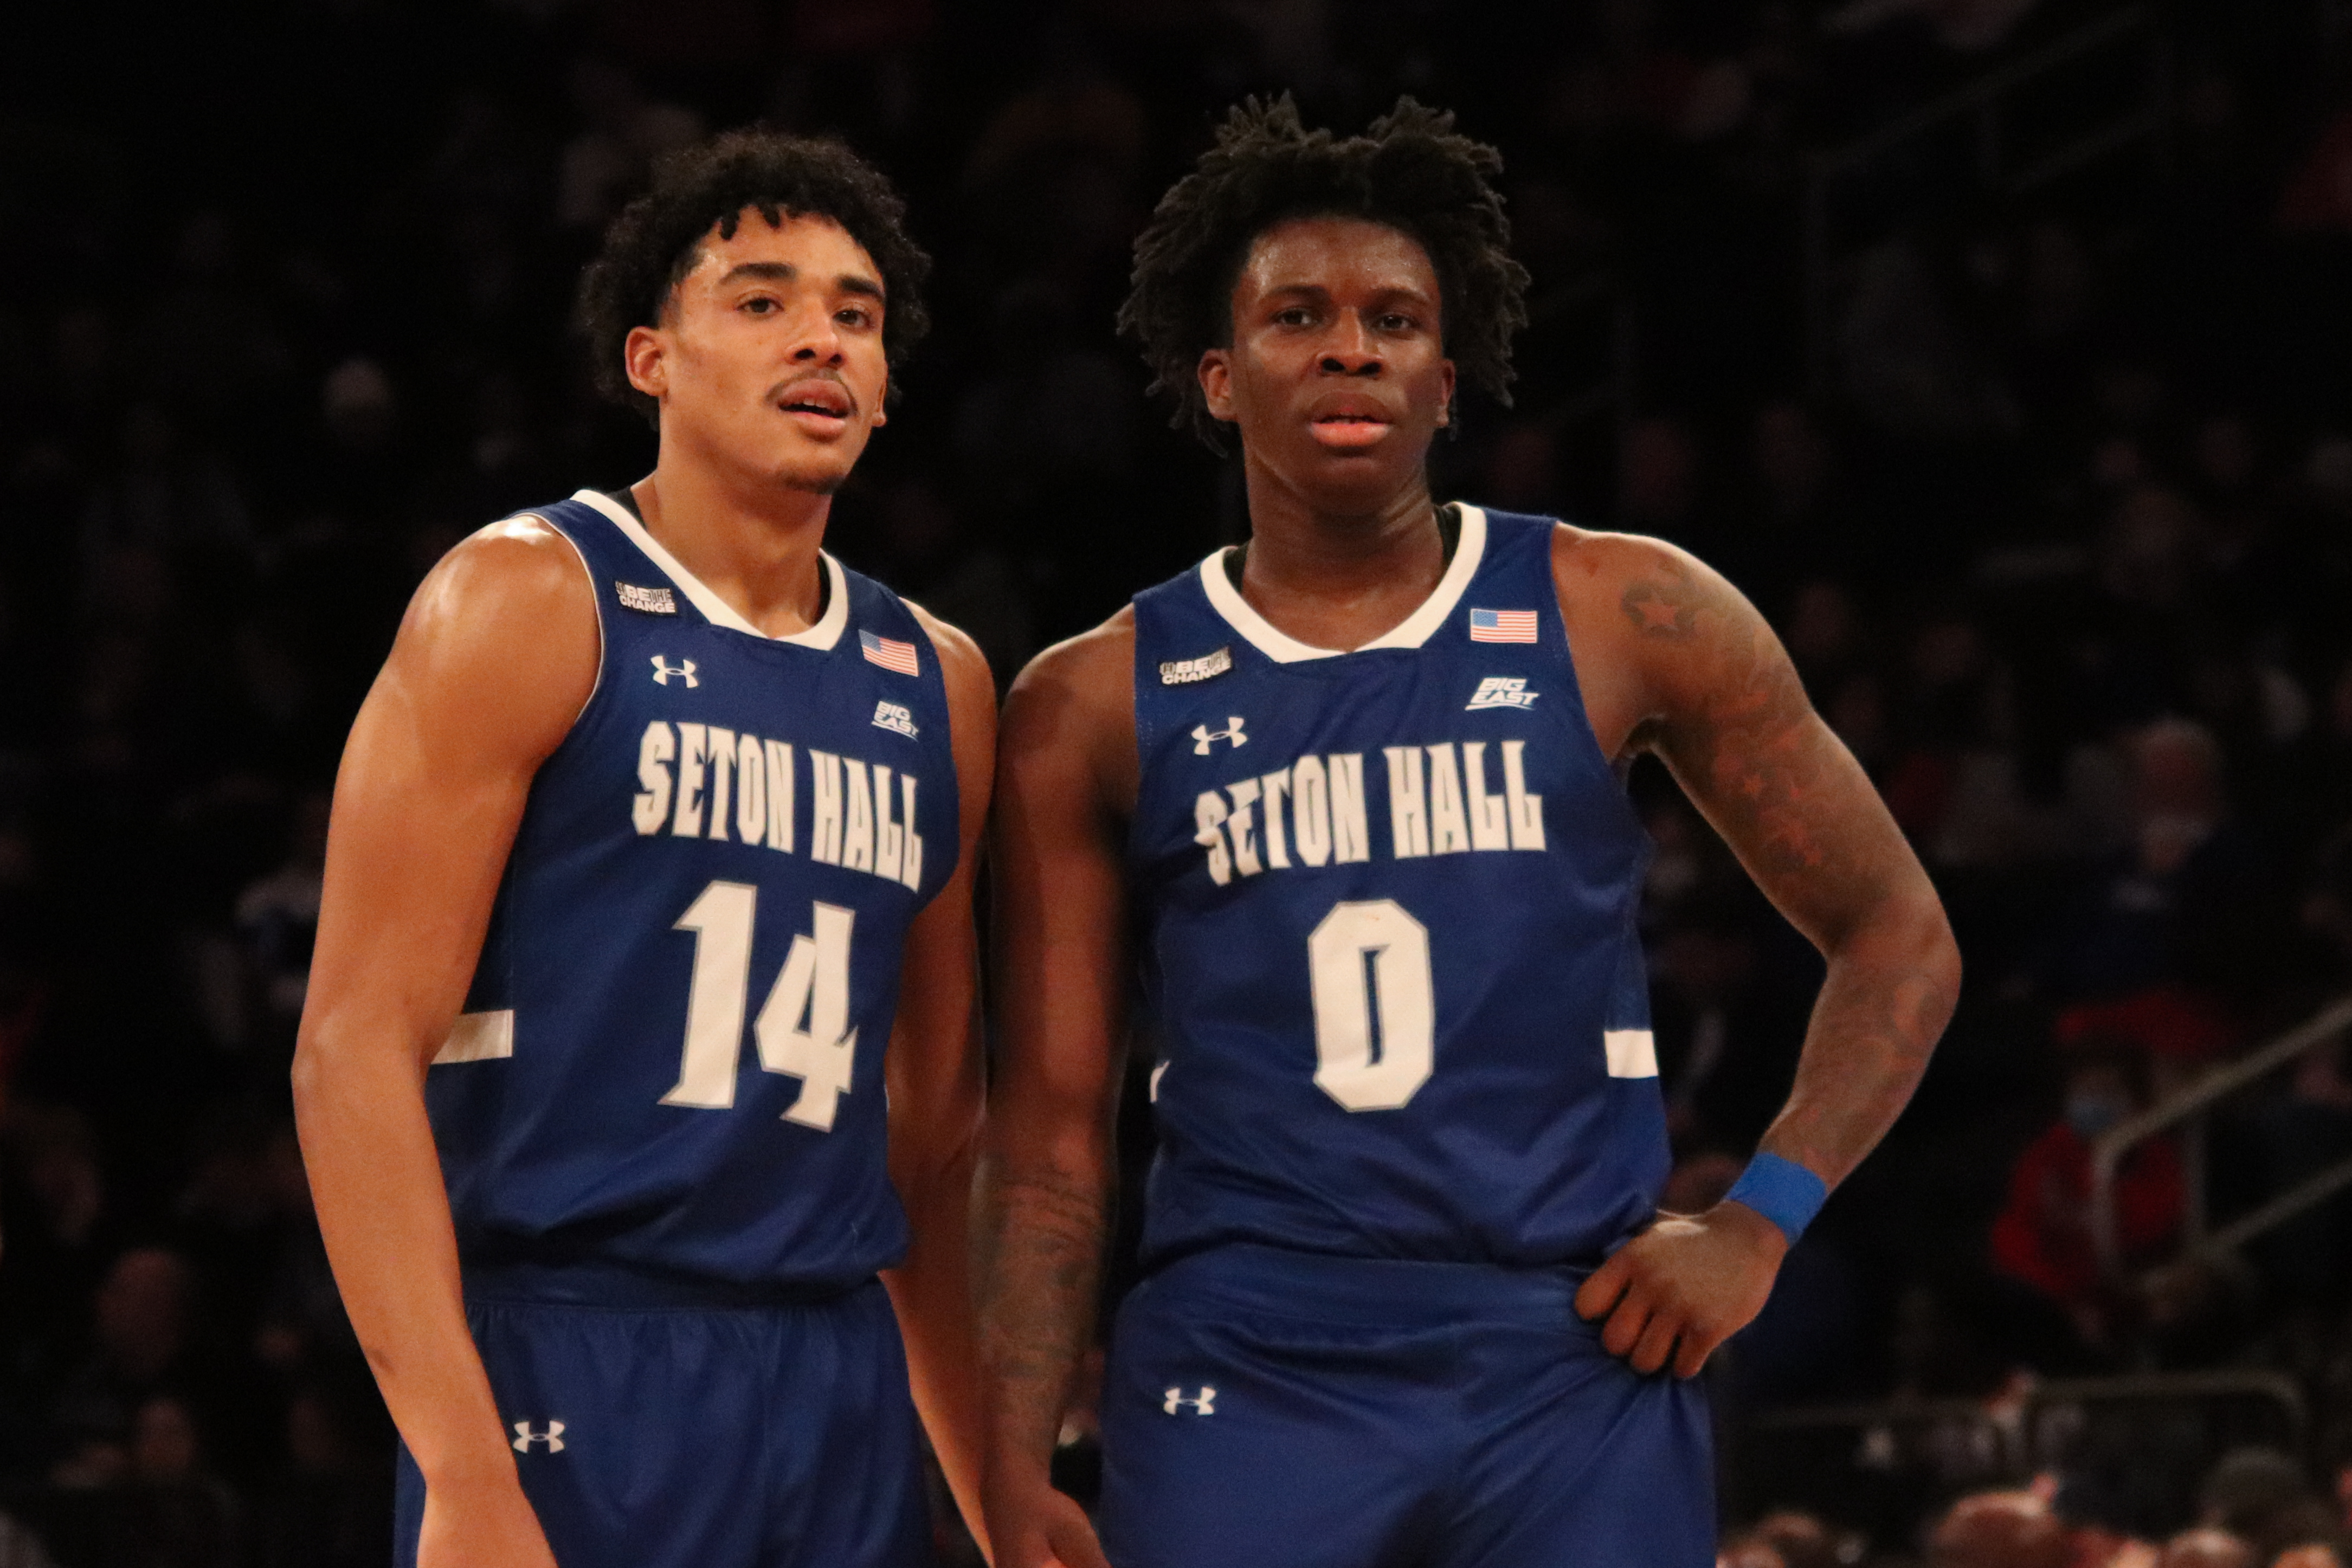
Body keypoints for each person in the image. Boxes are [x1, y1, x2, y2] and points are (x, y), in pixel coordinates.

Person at [977, 97, 1959, 1568]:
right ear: (1217, 378)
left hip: (1573, 1345)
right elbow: (1052, 1135)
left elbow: (1899, 937)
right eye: (1296, 316)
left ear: (1450, 378)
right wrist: (1005, 1447)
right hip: (1250, 1354)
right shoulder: (1093, 697)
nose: (1350, 346)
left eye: (1395, 319)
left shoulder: (1625, 610)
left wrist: (1756, 1220)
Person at [292, 130, 995, 1568]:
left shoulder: (940, 679)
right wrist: (465, 1473)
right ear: (649, 359)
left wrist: (988, 1477)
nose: (821, 337)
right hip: (572, 1347)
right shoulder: (527, 601)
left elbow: (928, 1133)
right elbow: (352, 1049)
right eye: (760, 298)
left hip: (833, 1365)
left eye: (855, 315)